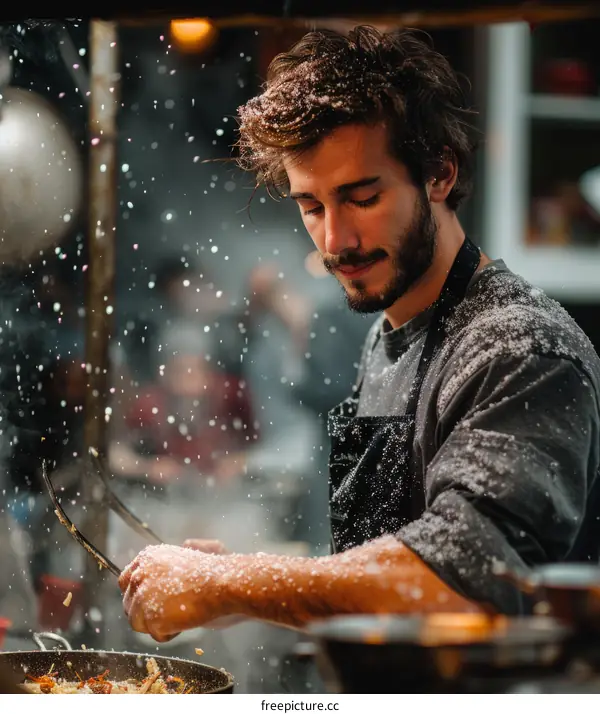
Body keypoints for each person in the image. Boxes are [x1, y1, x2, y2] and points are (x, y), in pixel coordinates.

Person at [119, 26, 600, 641]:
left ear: (439, 175)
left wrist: (230, 583)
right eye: (312, 207)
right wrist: (245, 585)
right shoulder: (386, 338)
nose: (334, 241)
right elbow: (389, 564)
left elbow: (461, 581)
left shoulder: (520, 349)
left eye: (363, 197)